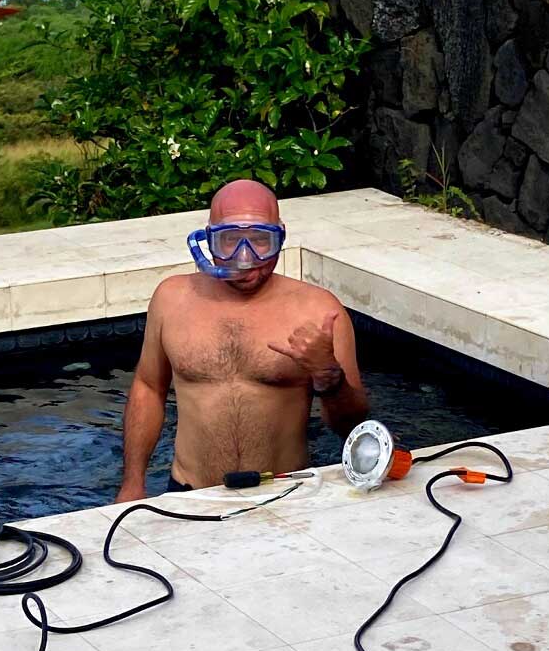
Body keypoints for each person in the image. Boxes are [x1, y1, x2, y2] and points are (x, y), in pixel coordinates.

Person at [115, 178, 370, 501]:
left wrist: (328, 376)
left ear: (281, 238)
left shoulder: (320, 311)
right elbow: (149, 388)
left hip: (286, 493)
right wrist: (132, 482)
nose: (245, 257)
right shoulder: (172, 299)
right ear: (208, 240)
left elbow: (353, 427)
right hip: (189, 494)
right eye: (230, 240)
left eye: (261, 240)